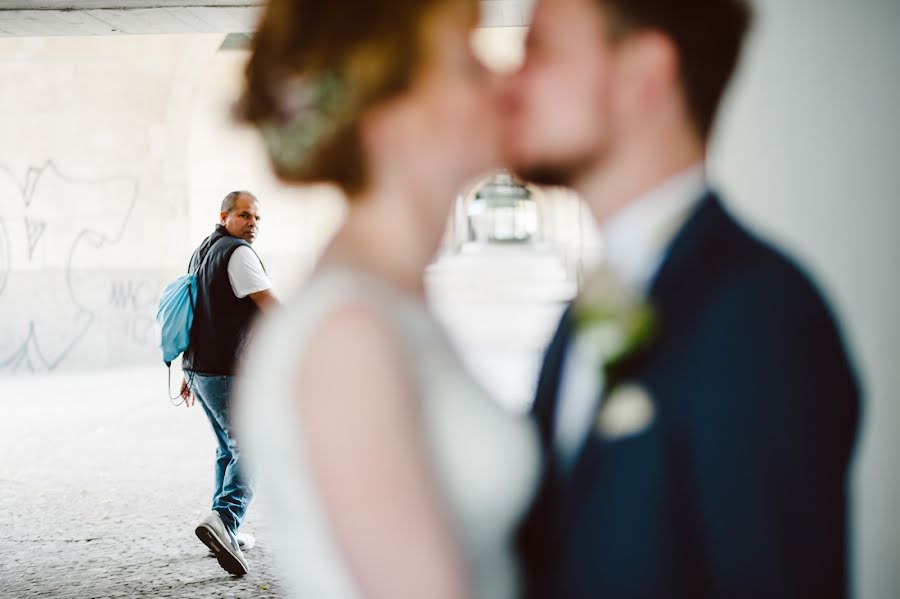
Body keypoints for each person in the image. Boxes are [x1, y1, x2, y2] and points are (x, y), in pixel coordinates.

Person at [502, 0, 860, 597]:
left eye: (540, 49)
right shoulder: (582, 311)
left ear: (643, 74)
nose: (511, 83)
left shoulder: (759, 317)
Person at [232, 1, 539, 598]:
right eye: (468, 62)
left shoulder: (388, 301)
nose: (502, 79)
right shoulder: (349, 337)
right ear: (390, 120)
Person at [180, 190, 277, 577]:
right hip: (226, 369)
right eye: (244, 216)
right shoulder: (238, 253)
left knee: (228, 447)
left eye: (256, 218)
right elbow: (271, 306)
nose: (252, 223)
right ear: (224, 216)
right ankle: (224, 517)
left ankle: (226, 531)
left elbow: (192, 310)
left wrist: (188, 372)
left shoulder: (202, 250)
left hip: (201, 369)